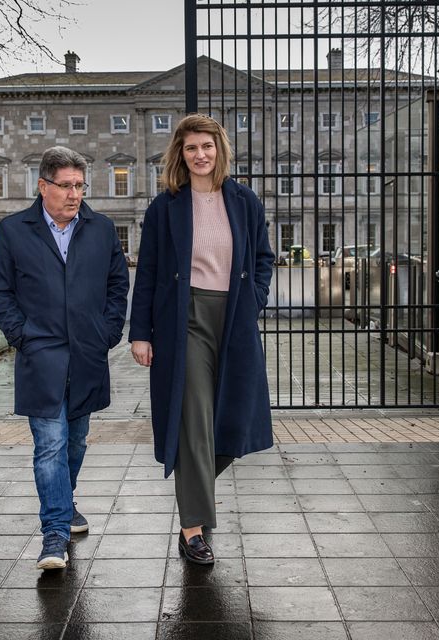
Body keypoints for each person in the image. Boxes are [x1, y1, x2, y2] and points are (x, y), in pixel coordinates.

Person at [129, 114, 274, 564]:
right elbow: (148, 272)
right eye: (191, 148)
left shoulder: (244, 201)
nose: (200, 155)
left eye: (207, 146)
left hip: (233, 316)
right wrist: (140, 333)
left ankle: (195, 492)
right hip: (182, 319)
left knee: (233, 421)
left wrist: (253, 299)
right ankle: (193, 529)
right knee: (193, 419)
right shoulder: (164, 207)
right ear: (180, 153)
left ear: (220, 149)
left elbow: (264, 258)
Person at [0, 146, 130, 569]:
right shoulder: (14, 230)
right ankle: (54, 532)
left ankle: (64, 504)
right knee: (50, 443)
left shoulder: (101, 229)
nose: (74, 194)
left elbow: (117, 285)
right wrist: (22, 336)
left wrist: (107, 333)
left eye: (80, 186)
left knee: (77, 438)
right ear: (43, 186)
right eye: (65, 186)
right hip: (42, 354)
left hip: (87, 353)